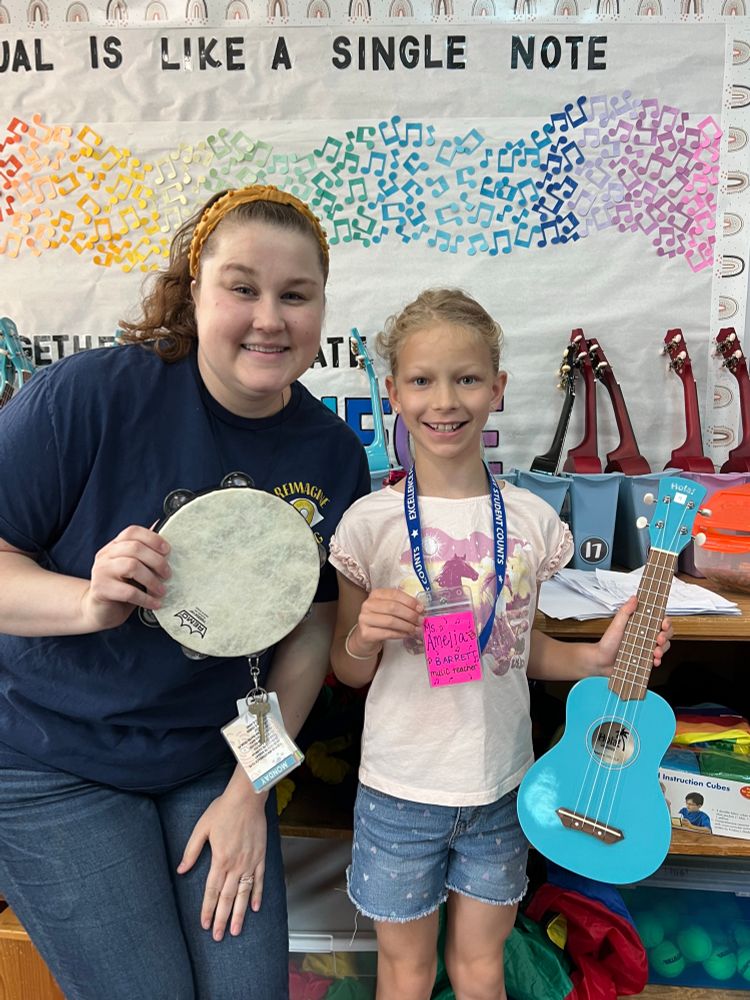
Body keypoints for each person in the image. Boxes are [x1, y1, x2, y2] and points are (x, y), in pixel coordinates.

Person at [0, 184, 370, 1000]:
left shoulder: (333, 453)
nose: (269, 318)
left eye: (295, 295)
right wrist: (85, 602)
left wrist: (251, 790)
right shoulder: (89, 398)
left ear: (320, 310)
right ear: (194, 290)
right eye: (242, 287)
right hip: (52, 754)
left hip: (212, 756)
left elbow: (308, 640)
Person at [328, 288, 672, 1000]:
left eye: (467, 378)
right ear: (392, 392)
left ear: (499, 388)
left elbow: (520, 648)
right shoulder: (369, 524)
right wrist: (363, 635)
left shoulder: (532, 520)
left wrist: (595, 659)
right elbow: (345, 668)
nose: (444, 399)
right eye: (422, 380)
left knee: (483, 967)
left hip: (503, 788)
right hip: (400, 792)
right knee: (406, 971)